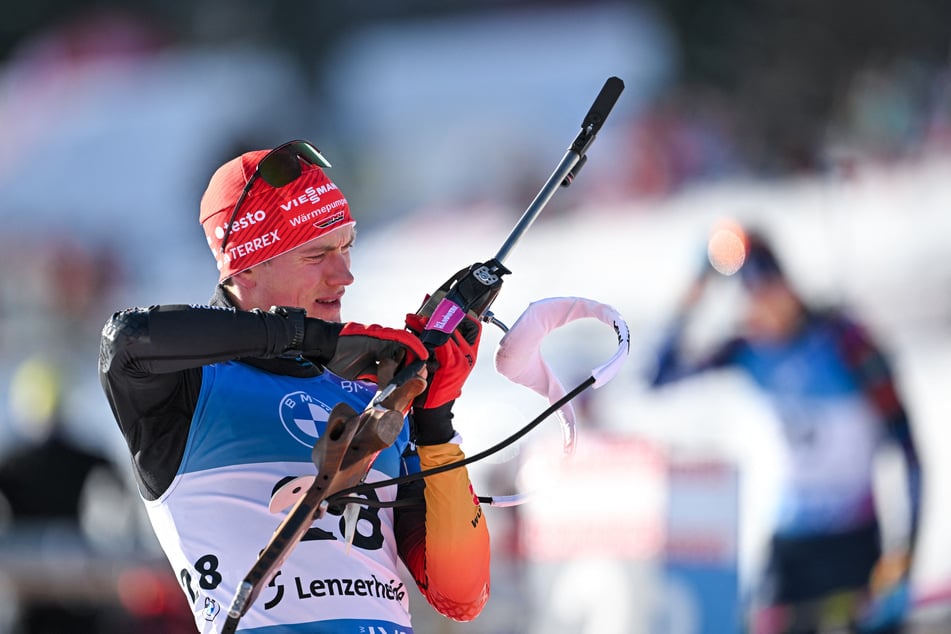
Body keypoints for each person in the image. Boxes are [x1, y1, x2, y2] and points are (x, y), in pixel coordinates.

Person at [98, 140, 490, 633]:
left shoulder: (370, 396)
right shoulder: (187, 385)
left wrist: (435, 419)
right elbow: (125, 341)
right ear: (247, 265)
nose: (344, 274)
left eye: (347, 246)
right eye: (317, 254)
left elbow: (462, 592)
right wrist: (312, 337)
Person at [647, 226, 921, 634]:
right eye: (750, 296)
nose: (763, 307)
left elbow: (909, 452)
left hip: (854, 541)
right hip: (790, 546)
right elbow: (660, 375)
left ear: (787, 284)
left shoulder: (845, 341)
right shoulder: (748, 349)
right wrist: (698, 284)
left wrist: (903, 560)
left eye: (769, 290)